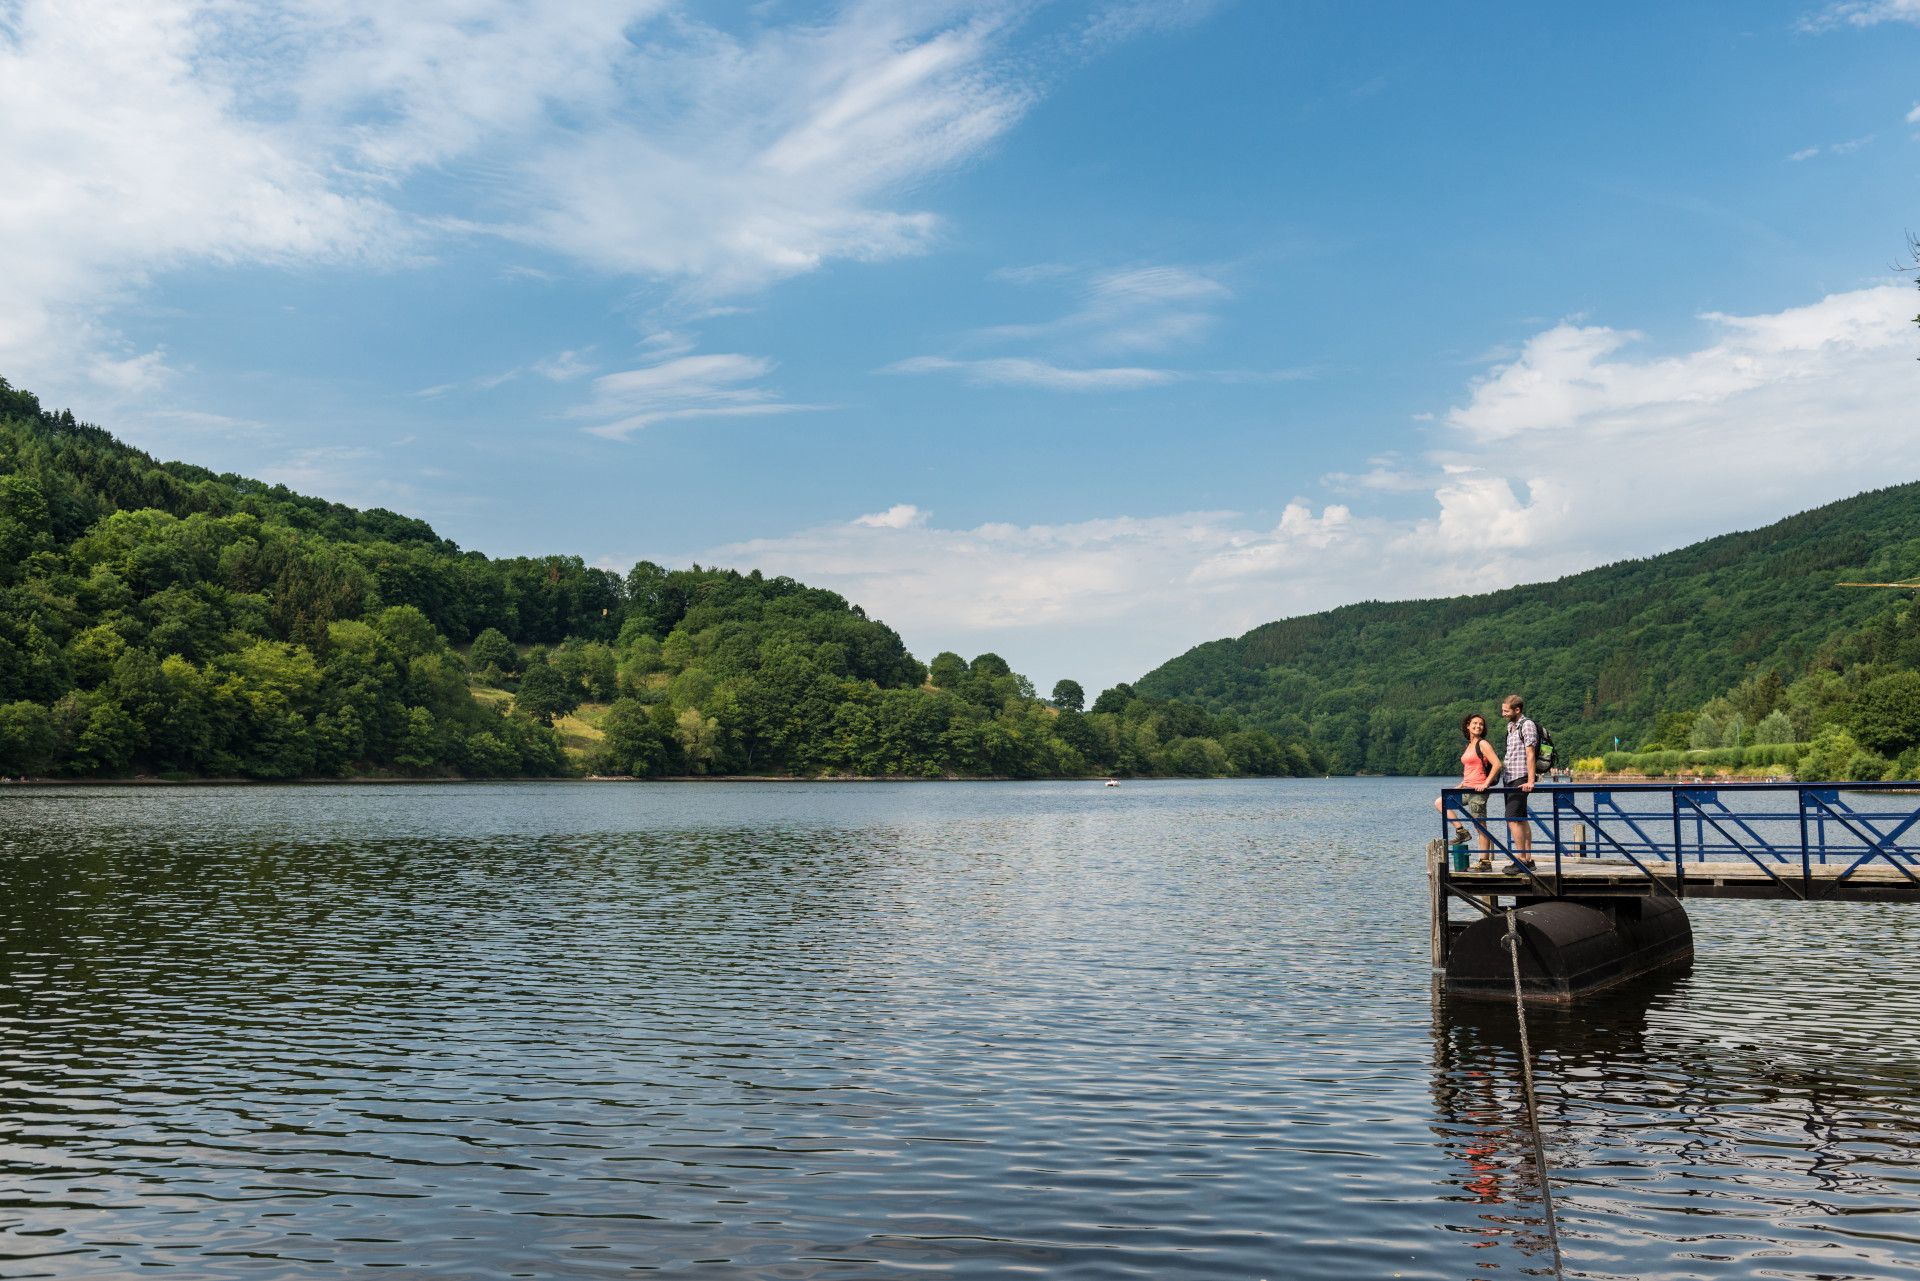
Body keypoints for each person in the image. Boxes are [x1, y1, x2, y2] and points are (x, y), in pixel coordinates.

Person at [1456, 712, 1502, 868]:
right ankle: (1461, 831)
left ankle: (1485, 861)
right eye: (1474, 723)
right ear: (1468, 725)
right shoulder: (1469, 745)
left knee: (1480, 825)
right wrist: (1462, 783)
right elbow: (1471, 767)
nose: (1478, 726)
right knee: (1441, 802)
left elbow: (1497, 764)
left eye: (1481, 724)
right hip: (1467, 787)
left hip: (1478, 790)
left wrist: (1486, 784)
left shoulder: (1483, 744)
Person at [1500, 693, 1539, 874]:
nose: (1503, 714)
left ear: (1517, 709)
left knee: (1512, 818)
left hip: (1520, 778)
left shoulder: (1527, 725)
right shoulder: (1511, 726)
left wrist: (1531, 780)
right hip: (1509, 778)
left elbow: (1530, 753)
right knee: (1521, 818)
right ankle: (1528, 859)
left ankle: (1521, 859)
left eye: (1506, 711)